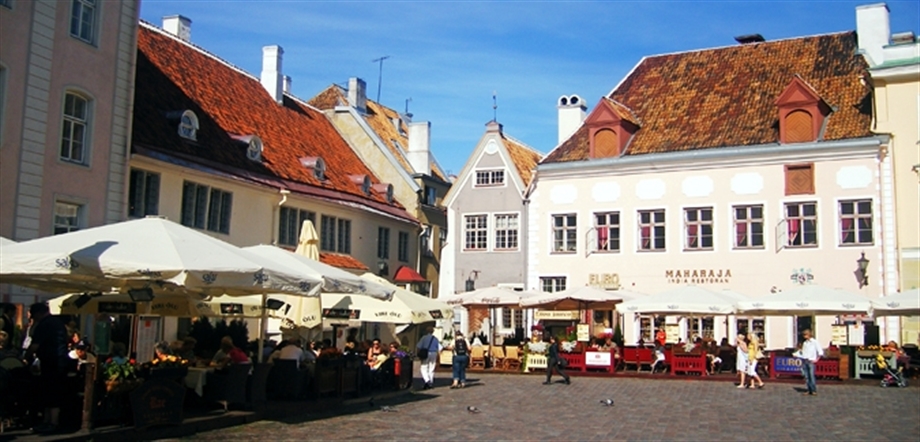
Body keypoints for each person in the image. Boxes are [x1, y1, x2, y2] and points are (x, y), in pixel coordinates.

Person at [26, 302, 69, 434]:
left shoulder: (43, 325)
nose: (33, 318)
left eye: (33, 316)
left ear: (38, 313)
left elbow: (34, 346)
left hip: (50, 361)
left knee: (50, 392)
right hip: (61, 360)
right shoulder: (58, 323)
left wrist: (28, 359)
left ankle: (51, 423)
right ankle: (49, 421)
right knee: (53, 392)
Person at [797, 329, 823, 396]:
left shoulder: (814, 342)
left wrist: (816, 359)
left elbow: (820, 352)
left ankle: (813, 390)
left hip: (811, 361)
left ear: (809, 335)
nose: (804, 336)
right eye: (803, 335)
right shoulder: (805, 343)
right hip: (805, 360)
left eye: (805, 335)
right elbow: (803, 352)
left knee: (811, 376)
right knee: (806, 376)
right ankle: (809, 389)